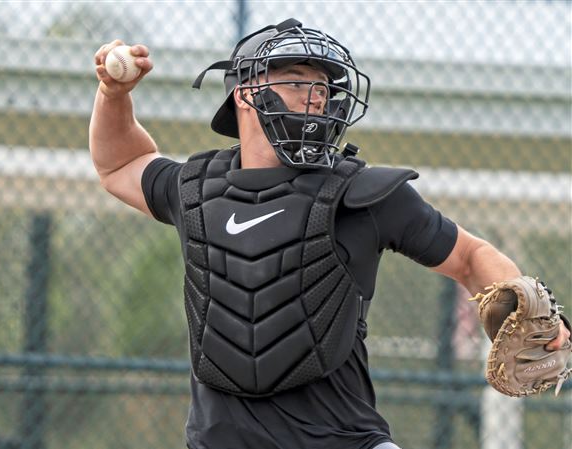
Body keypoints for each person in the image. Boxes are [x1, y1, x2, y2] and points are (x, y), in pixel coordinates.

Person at [90, 18, 570, 449]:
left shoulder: (362, 193)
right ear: (244, 92)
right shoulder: (195, 189)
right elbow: (120, 163)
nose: (315, 95)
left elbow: (470, 256)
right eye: (297, 80)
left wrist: (523, 306)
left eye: (321, 85)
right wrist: (114, 95)